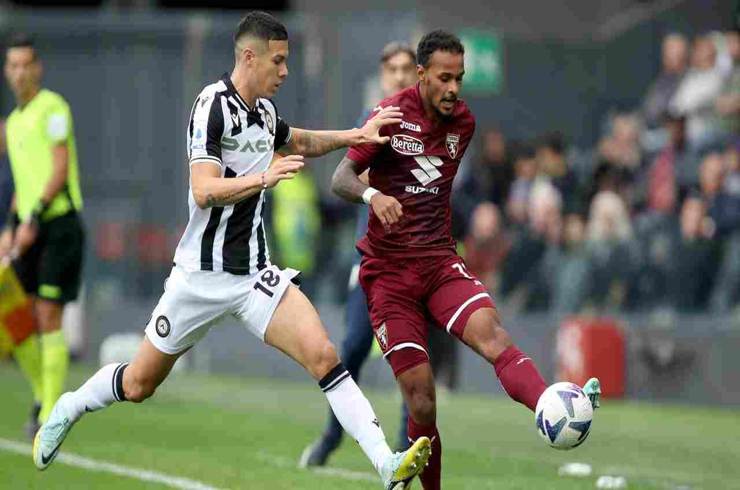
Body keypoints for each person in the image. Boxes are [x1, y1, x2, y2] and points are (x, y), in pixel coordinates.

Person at [32, 13, 431, 489]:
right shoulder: (211, 106)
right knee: (139, 384)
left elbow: (297, 139)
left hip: (253, 277)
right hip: (199, 277)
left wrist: (355, 136)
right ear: (249, 56)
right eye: (278, 61)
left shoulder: (263, 112)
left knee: (325, 356)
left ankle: (386, 464)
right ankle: (70, 406)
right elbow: (203, 190)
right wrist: (264, 177)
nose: (285, 71)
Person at [331, 30, 601, 489]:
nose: (454, 88)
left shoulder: (464, 124)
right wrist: (373, 194)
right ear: (421, 76)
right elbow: (341, 177)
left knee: (493, 335)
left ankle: (551, 406)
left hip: (438, 263)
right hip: (389, 275)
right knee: (421, 402)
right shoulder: (389, 116)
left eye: (460, 78)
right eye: (444, 78)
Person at [300, 41, 418, 468]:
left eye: (408, 68)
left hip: (416, 261)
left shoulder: (431, 126)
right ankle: (331, 436)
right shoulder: (369, 123)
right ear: (383, 76)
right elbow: (355, 177)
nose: (401, 76)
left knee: (410, 357)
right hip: (369, 260)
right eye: (394, 69)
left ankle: (406, 448)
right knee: (350, 346)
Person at [1, 35, 85, 437]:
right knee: (13, 317)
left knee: (48, 315)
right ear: (7, 72)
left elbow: (57, 168)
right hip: (29, 225)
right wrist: (10, 225)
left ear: (38, 68)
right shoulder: (14, 122)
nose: (19, 73)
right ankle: (41, 393)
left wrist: (33, 218)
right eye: (12, 66)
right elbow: (25, 181)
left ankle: (52, 413)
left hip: (59, 225)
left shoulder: (54, 108)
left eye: (25, 65)